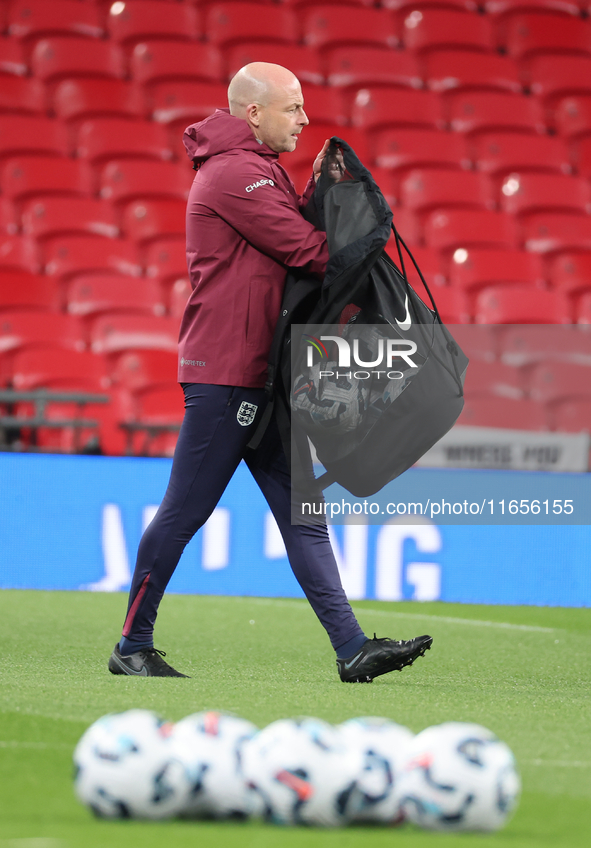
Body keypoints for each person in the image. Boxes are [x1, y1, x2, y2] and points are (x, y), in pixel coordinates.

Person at [108, 63, 432, 681]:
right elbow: (308, 252)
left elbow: (304, 245)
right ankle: (132, 644)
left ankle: (351, 649)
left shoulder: (256, 170)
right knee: (185, 511)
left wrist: (332, 209)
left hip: (261, 372)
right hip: (228, 371)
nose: (304, 120)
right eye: (293, 108)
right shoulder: (235, 173)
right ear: (253, 113)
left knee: (304, 516)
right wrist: (359, 230)